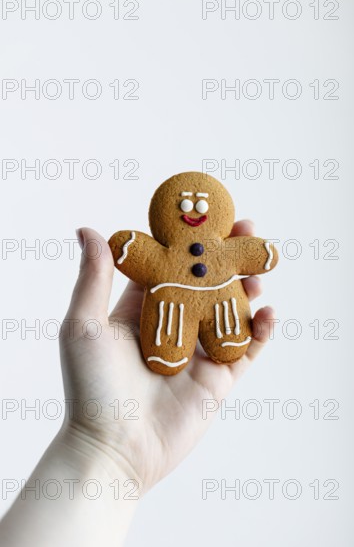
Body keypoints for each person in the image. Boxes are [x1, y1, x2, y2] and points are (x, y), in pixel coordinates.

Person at [0, 220, 275, 546]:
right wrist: (104, 448)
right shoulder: (165, 258)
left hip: (223, 306)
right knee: (169, 338)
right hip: (168, 308)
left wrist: (113, 459)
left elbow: (256, 253)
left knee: (228, 332)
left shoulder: (223, 250)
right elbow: (137, 252)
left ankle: (219, 338)